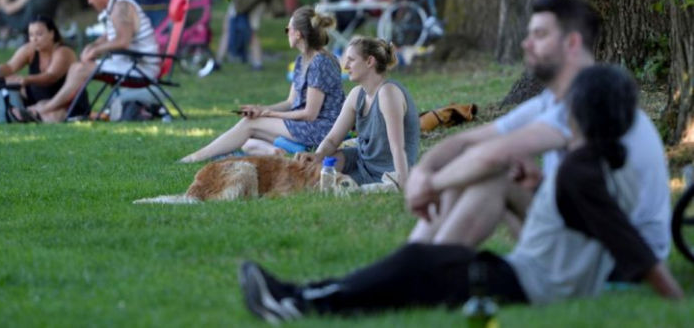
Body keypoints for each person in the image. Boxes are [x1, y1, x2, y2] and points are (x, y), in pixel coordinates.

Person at [238, 65, 683, 323]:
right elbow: (597, 224)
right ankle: (301, 296)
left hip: (530, 283)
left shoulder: (583, 172)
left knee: (416, 269)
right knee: (419, 268)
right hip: (528, 272)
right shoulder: (604, 160)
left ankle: (302, 302)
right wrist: (539, 188)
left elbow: (629, 245)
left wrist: (676, 302)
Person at [404, 0, 671, 264]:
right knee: (472, 172)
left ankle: (428, 271)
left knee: (491, 174)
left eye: (539, 35)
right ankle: (413, 263)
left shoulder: (593, 103)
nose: (526, 43)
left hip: (619, 258)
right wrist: (423, 170)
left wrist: (431, 184)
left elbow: (491, 156)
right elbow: (466, 140)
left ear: (572, 43)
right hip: (585, 237)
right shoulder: (551, 100)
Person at [179, 6, 345, 164]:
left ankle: (195, 158)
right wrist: (262, 110)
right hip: (306, 126)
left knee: (249, 125)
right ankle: (280, 154)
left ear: (298, 34)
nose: (286, 33)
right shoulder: (302, 60)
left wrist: (270, 114)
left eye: (288, 29)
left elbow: (310, 113)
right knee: (247, 140)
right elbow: (289, 103)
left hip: (322, 130)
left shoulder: (320, 62)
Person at [27, 0, 159, 122]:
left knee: (79, 69)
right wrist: (92, 45)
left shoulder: (121, 8)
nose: (89, 1)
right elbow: (110, 35)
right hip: (130, 64)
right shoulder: (115, 7)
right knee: (77, 67)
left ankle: (48, 108)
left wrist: (96, 50)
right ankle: (57, 108)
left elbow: (123, 41)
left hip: (140, 67)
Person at [295, 37, 420, 189]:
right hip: (362, 160)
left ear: (369, 62)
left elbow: (398, 148)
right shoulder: (357, 94)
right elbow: (333, 140)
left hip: (387, 170)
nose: (345, 65)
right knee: (318, 170)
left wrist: (403, 185)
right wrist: (317, 156)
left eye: (351, 60)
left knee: (333, 186)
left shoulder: (388, 93)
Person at [0, 15, 89, 118]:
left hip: (65, 103)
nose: (34, 39)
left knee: (53, 115)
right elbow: (10, 67)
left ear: (51, 34)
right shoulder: (30, 49)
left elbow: (51, 76)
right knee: (9, 82)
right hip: (39, 100)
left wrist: (26, 79)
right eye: (31, 35)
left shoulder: (63, 52)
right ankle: (29, 113)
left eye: (39, 34)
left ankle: (31, 114)